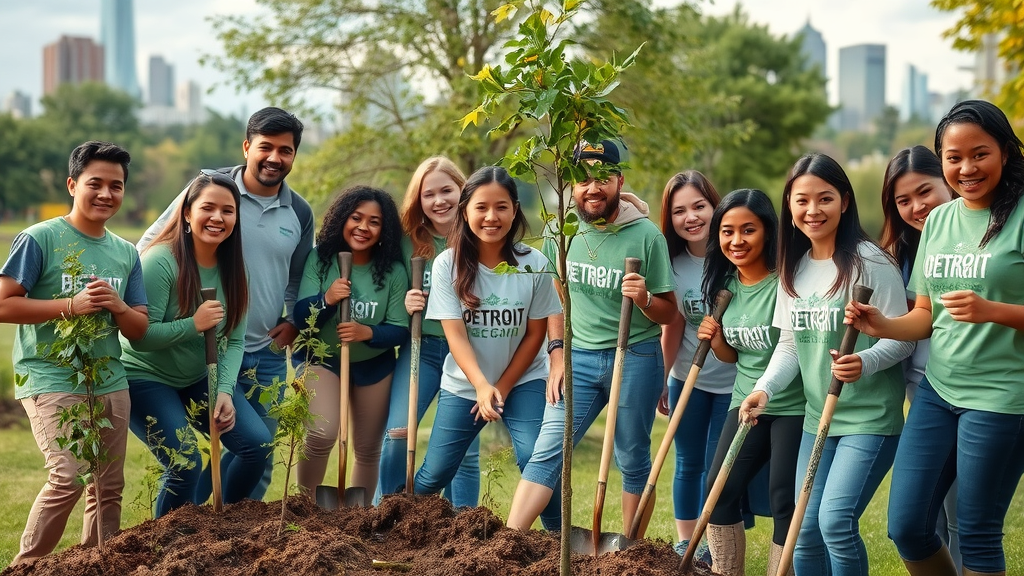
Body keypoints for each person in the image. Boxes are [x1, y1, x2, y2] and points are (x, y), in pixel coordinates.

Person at [845, 100, 1024, 576]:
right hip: (937, 393)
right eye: (954, 157)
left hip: (1001, 398)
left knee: (977, 532)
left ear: (1005, 152)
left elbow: (985, 311)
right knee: (907, 526)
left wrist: (994, 311)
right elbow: (925, 315)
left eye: (979, 154)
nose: (967, 168)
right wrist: (881, 325)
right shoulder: (941, 221)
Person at [739, 153, 913, 576]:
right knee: (803, 532)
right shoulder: (793, 268)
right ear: (789, 205)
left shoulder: (871, 261)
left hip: (869, 419)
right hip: (818, 418)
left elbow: (903, 338)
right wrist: (764, 389)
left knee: (834, 522)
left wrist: (864, 361)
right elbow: (790, 345)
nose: (812, 210)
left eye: (825, 198)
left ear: (845, 201)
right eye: (802, 200)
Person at [139, 107, 313, 500]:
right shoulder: (209, 189)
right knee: (194, 456)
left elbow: (298, 276)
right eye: (265, 147)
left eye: (285, 150)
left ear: (294, 155)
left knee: (258, 452)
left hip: (263, 349)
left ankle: (232, 528)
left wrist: (292, 321)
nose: (274, 157)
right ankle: (196, 516)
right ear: (247, 147)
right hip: (200, 345)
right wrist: (156, 306)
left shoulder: (300, 212)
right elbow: (153, 241)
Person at [506, 139, 677, 533]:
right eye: (583, 179)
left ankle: (630, 552)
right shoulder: (560, 232)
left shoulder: (646, 236)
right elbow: (555, 300)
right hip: (578, 358)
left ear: (619, 181)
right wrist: (557, 353)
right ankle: (509, 543)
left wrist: (645, 298)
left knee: (631, 457)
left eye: (603, 178)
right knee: (548, 448)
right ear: (571, 184)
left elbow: (669, 312)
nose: (593, 188)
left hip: (634, 357)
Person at [1, 141, 149, 564]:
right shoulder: (40, 238)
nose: (106, 194)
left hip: (109, 378)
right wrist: (71, 305)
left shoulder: (126, 252)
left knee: (107, 486)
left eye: (116, 186)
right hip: (50, 375)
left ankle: (96, 564)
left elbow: (138, 329)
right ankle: (25, 567)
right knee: (67, 476)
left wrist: (118, 306)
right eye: (95, 183)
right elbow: (4, 303)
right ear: (72, 185)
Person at [412, 166, 561, 528]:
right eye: (481, 207)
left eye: (501, 207)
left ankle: (560, 540)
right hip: (465, 384)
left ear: (515, 211)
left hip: (523, 381)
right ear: (465, 211)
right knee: (436, 471)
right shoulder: (447, 264)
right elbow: (456, 336)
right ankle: (401, 527)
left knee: (536, 458)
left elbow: (535, 335)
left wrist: (502, 387)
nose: (491, 217)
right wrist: (481, 385)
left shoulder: (534, 264)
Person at [122, 171, 270, 517]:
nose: (218, 217)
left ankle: (224, 525)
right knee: (185, 462)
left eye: (228, 211)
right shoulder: (160, 261)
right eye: (208, 208)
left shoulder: (235, 269)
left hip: (199, 376)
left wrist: (224, 391)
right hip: (145, 376)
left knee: (256, 445)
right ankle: (165, 541)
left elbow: (235, 340)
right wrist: (194, 324)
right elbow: (140, 338)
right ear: (187, 212)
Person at [695, 189, 805, 576]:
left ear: (768, 231)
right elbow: (735, 356)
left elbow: (794, 349)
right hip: (745, 401)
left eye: (748, 230)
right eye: (727, 231)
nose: (736, 240)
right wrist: (716, 341)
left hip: (794, 406)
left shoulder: (787, 283)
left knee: (783, 497)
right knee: (719, 491)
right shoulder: (725, 285)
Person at [293, 186, 408, 505]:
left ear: (384, 229)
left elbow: (399, 329)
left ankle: (358, 517)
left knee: (368, 448)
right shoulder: (320, 259)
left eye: (374, 222)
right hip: (322, 359)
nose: (363, 227)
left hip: (374, 366)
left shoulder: (394, 271)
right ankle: (306, 508)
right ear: (342, 218)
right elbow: (301, 318)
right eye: (356, 218)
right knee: (321, 433)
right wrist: (327, 300)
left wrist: (367, 333)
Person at [377, 157, 480, 505]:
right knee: (397, 432)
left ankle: (462, 524)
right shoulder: (407, 242)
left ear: (463, 190)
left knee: (464, 450)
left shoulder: (481, 236)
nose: (439, 201)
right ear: (418, 200)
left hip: (467, 351)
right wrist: (405, 303)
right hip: (422, 348)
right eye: (428, 194)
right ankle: (385, 513)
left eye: (447, 190)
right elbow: (387, 288)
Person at [878, 145, 961, 573]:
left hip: (976, 387)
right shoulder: (899, 254)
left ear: (947, 181)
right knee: (925, 515)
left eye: (924, 191)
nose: (916, 207)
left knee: (961, 512)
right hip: (923, 385)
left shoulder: (978, 238)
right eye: (903, 200)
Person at [657, 170, 737, 556]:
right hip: (687, 377)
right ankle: (686, 542)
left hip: (734, 382)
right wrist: (661, 378)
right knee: (687, 461)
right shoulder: (671, 264)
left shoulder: (736, 256)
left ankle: (714, 542)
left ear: (715, 207)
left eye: (699, 206)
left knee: (716, 464)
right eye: (679, 211)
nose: (690, 217)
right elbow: (672, 326)